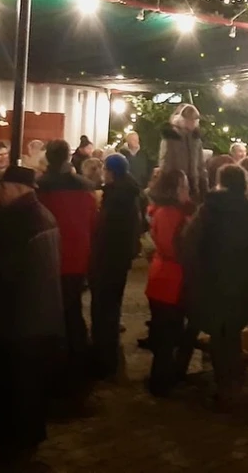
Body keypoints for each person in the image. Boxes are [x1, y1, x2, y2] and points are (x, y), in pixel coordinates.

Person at [0, 166, 63, 462]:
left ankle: (16, 441)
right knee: (30, 382)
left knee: (17, 383)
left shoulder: (16, 221)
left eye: (3, 188)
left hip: (19, 316)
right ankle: (29, 435)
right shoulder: (43, 214)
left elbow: (3, 272)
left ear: (15, 188)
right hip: (41, 313)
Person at [181, 163, 248, 405]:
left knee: (221, 334)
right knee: (230, 333)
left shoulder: (208, 210)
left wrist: (196, 274)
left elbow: (189, 245)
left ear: (220, 182)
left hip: (212, 282)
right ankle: (231, 383)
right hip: (242, 283)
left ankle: (226, 384)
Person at [36, 140, 98, 374]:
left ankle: (55, 362)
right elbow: (93, 223)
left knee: (50, 312)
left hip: (48, 257)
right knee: (73, 310)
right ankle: (77, 360)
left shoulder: (40, 187)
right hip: (77, 257)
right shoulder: (85, 188)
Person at [89, 154, 142, 380]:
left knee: (104, 307)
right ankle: (107, 356)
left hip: (109, 257)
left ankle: (104, 359)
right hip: (120, 257)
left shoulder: (116, 196)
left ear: (111, 171)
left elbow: (106, 229)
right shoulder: (128, 192)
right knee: (111, 305)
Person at [144, 170, 195, 396]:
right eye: (184, 185)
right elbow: (171, 248)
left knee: (168, 333)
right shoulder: (169, 213)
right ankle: (161, 383)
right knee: (167, 336)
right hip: (169, 280)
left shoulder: (169, 211)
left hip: (166, 278)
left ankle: (164, 379)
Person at [159, 105, 207, 200]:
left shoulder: (196, 138)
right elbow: (166, 162)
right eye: (191, 120)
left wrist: (203, 183)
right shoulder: (171, 137)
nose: (193, 123)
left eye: (195, 120)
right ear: (183, 120)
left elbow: (200, 163)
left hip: (194, 183)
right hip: (176, 185)